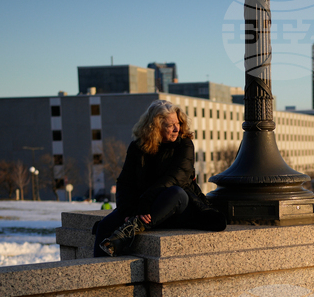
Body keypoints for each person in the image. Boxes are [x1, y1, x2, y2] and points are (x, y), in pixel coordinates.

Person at [92, 99, 226, 257]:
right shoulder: (138, 147)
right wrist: (128, 209)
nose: (176, 129)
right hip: (143, 208)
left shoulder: (184, 144)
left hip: (175, 207)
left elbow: (177, 178)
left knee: (175, 192)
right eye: (170, 125)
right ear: (154, 127)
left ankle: (128, 232)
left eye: (178, 123)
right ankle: (99, 276)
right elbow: (124, 182)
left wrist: (145, 203)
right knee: (104, 226)